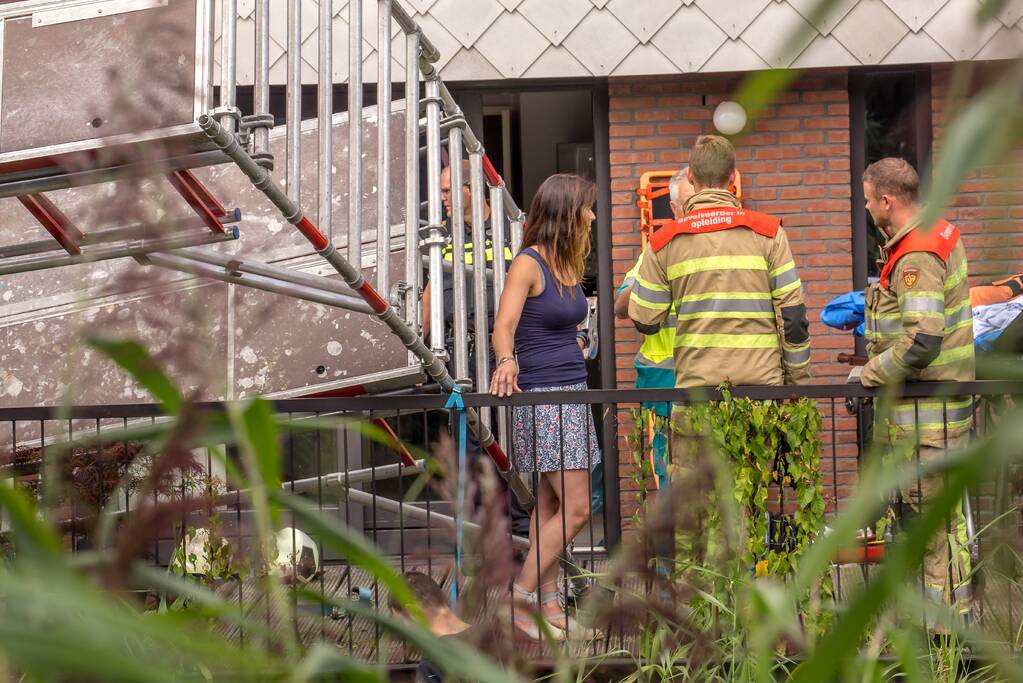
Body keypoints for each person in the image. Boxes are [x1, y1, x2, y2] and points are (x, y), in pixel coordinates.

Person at [627, 135, 810, 557]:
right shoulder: (768, 233)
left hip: (697, 396)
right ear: (733, 178)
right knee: (746, 504)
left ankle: (699, 595)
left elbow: (644, 317)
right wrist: (796, 384)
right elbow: (795, 319)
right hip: (759, 397)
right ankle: (743, 594)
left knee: (692, 510)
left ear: (691, 178)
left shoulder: (665, 241)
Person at [858, 157, 974, 630]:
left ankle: (940, 637)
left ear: (887, 200)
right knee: (944, 528)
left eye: (869, 200)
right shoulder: (935, 232)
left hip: (927, 421)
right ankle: (949, 629)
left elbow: (923, 339)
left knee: (932, 532)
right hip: (938, 416)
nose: (867, 208)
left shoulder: (917, 253)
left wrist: (870, 373)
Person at [489, 173, 601, 640]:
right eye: (586, 208)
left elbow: (561, 326)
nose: (592, 216)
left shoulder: (567, 263)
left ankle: (549, 607)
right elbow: (504, 324)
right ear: (565, 212)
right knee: (578, 509)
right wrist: (506, 360)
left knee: (551, 504)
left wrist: (578, 341)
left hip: (572, 391)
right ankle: (518, 600)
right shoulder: (528, 262)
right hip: (545, 397)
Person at [420, 160, 528, 539]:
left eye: (447, 191)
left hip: (505, 356)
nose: (442, 199)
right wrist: (416, 351)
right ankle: (481, 543)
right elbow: (430, 294)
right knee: (468, 456)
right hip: (460, 359)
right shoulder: (444, 236)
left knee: (510, 450)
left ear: (470, 189)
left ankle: (520, 538)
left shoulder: (511, 232)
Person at [610, 168, 696, 496]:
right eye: (688, 203)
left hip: (712, 379)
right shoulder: (658, 249)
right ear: (673, 209)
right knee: (672, 476)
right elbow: (621, 306)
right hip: (666, 382)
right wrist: (655, 276)